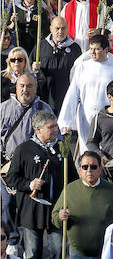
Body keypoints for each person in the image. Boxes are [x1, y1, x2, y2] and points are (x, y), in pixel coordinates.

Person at [6, 109, 77, 259]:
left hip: (57, 210)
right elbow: (11, 177)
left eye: (56, 126)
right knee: (32, 253)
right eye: (50, 127)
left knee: (60, 252)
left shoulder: (62, 148)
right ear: (38, 129)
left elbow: (73, 178)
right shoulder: (24, 149)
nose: (55, 130)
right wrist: (29, 185)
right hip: (32, 211)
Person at [58, 32, 113, 146]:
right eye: (91, 49)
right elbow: (73, 94)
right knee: (88, 151)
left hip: (109, 117)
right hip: (86, 116)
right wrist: (65, 121)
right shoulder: (82, 67)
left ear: (106, 50)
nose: (92, 52)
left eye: (97, 49)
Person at [51, 149, 113, 259]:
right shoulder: (69, 190)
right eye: (85, 167)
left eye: (93, 167)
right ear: (79, 170)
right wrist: (60, 216)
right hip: (77, 253)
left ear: (100, 168)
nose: (89, 170)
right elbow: (55, 217)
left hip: (106, 252)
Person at [0, 73, 52, 162]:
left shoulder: (44, 109)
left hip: (35, 162)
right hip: (8, 163)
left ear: (36, 88)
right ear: (16, 87)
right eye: (22, 86)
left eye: (29, 86)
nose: (25, 89)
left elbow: (53, 136)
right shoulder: (3, 108)